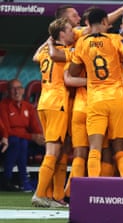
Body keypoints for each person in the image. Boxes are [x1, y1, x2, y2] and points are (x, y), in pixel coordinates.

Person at [68, 7, 123, 179]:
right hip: (117, 99)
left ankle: (92, 188)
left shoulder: (81, 43)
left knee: (95, 148)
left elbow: (73, 71)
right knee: (119, 148)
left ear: (88, 23)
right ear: (104, 22)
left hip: (95, 100)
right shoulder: (115, 39)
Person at [32, 18, 75, 208]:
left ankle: (54, 196)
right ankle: (40, 194)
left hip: (44, 103)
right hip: (58, 103)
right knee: (53, 151)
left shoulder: (44, 52)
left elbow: (35, 57)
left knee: (57, 151)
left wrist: (49, 40)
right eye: (69, 30)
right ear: (62, 34)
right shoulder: (66, 53)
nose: (73, 32)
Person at [0, 79, 44, 192]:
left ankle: (10, 180)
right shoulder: (3, 105)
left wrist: (40, 137)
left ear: (23, 90)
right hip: (10, 142)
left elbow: (35, 128)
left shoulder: (28, 106)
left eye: (19, 88)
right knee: (18, 141)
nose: (16, 92)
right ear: (8, 91)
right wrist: (30, 137)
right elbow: (7, 131)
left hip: (24, 143)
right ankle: (21, 180)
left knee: (41, 144)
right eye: (13, 89)